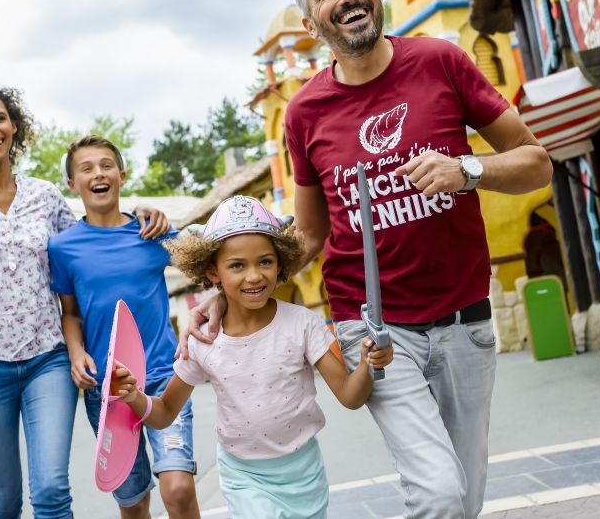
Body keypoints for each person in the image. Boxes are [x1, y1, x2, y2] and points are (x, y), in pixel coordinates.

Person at [181, 0, 553, 519]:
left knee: (464, 498)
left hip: (464, 322)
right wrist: (223, 292)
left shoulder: (441, 61)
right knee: (437, 494)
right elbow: (303, 238)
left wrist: (467, 169)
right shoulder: (305, 112)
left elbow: (536, 163)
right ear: (311, 21)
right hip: (374, 328)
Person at [0, 80, 170, 519]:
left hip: (47, 361)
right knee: (2, 502)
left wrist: (141, 214)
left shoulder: (45, 196)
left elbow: (89, 241)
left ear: (14, 127)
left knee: (52, 489)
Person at [112, 195, 393, 519]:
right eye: (237, 265)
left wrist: (370, 362)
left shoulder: (304, 324)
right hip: (244, 476)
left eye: (265, 261)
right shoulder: (204, 340)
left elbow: (350, 396)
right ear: (212, 271)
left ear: (281, 261)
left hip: (303, 473)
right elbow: (163, 414)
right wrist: (134, 396)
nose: (254, 276)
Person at [47, 135, 199, 519]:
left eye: (106, 165)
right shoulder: (63, 248)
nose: (98, 173)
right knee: (133, 503)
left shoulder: (153, 232)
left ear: (121, 174)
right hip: (107, 390)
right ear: (72, 184)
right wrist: (75, 351)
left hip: (165, 377)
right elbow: (70, 313)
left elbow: (206, 267)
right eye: (86, 168)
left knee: (178, 489)